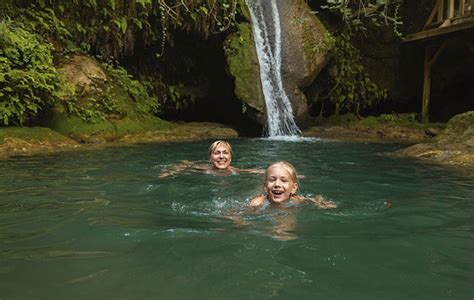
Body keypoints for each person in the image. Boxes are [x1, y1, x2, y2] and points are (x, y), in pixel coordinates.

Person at [247, 161, 337, 209]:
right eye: (272, 180)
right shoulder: (257, 203)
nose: (277, 184)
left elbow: (313, 200)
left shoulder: (296, 200)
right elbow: (238, 214)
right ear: (265, 187)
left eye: (283, 180)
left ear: (293, 188)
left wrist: (322, 203)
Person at [159, 140, 262, 178]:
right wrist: (171, 172)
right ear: (210, 158)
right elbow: (184, 166)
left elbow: (253, 171)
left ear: (230, 158)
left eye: (225, 153)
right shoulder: (203, 169)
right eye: (217, 153)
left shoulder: (236, 171)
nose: (221, 156)